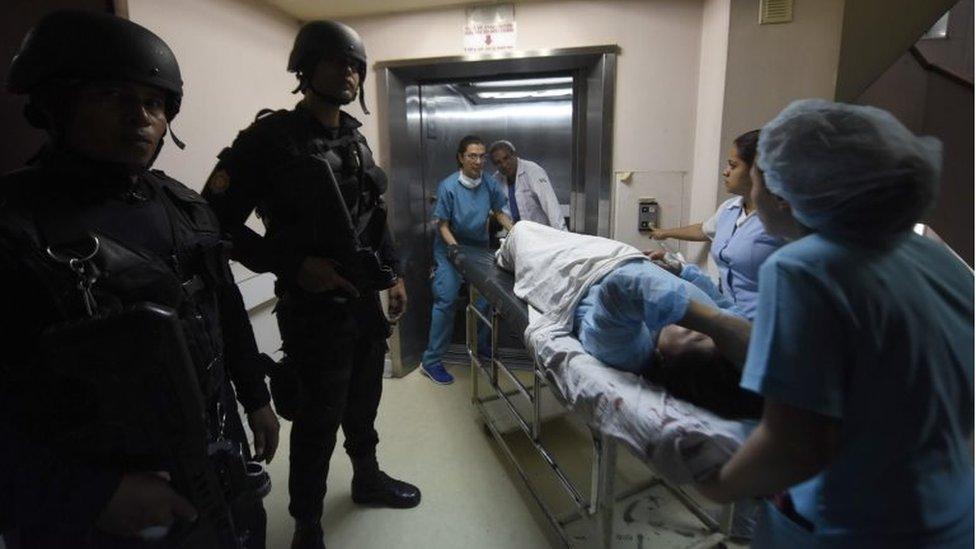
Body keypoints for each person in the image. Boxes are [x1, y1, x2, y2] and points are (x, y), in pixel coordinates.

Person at [0, 10, 279, 548]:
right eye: (112, 96)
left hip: (213, 464)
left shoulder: (184, 205)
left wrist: (256, 397)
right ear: (56, 103)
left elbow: (223, 310)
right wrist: (89, 494)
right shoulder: (16, 227)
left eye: (154, 103)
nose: (140, 117)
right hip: (95, 512)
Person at [693, 100, 974, 547]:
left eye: (759, 175)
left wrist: (716, 484)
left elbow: (795, 447)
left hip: (852, 525)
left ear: (783, 190)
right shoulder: (932, 255)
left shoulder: (804, 268)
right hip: (952, 514)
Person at [201, 20, 416, 549]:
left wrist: (394, 273)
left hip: (364, 305)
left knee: (364, 401)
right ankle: (308, 522)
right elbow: (212, 222)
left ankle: (366, 477)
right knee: (317, 421)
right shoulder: (267, 141)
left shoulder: (355, 140)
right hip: (313, 313)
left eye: (356, 66)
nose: (348, 73)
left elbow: (374, 216)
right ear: (305, 68)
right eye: (336, 61)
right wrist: (292, 266)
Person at [649, 130, 783, 319]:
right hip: (729, 311)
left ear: (757, 170)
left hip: (762, 323)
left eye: (733, 165)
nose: (725, 171)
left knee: (674, 340)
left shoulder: (780, 221)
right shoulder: (730, 209)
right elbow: (704, 229)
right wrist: (666, 235)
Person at [419, 135, 514, 385]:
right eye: (472, 156)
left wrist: (517, 233)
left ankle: (481, 345)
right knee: (446, 298)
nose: (478, 161)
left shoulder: (489, 186)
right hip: (449, 249)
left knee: (487, 299)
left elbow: (499, 213)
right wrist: (456, 251)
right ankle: (431, 361)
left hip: (479, 250)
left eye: (482, 156)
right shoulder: (448, 186)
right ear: (461, 158)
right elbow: (442, 225)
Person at [488, 140, 567, 230]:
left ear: (514, 155)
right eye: (498, 162)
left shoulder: (533, 171)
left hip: (541, 232)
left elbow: (550, 204)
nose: (504, 165)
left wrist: (562, 234)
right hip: (518, 233)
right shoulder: (496, 180)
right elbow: (498, 212)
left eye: (506, 158)